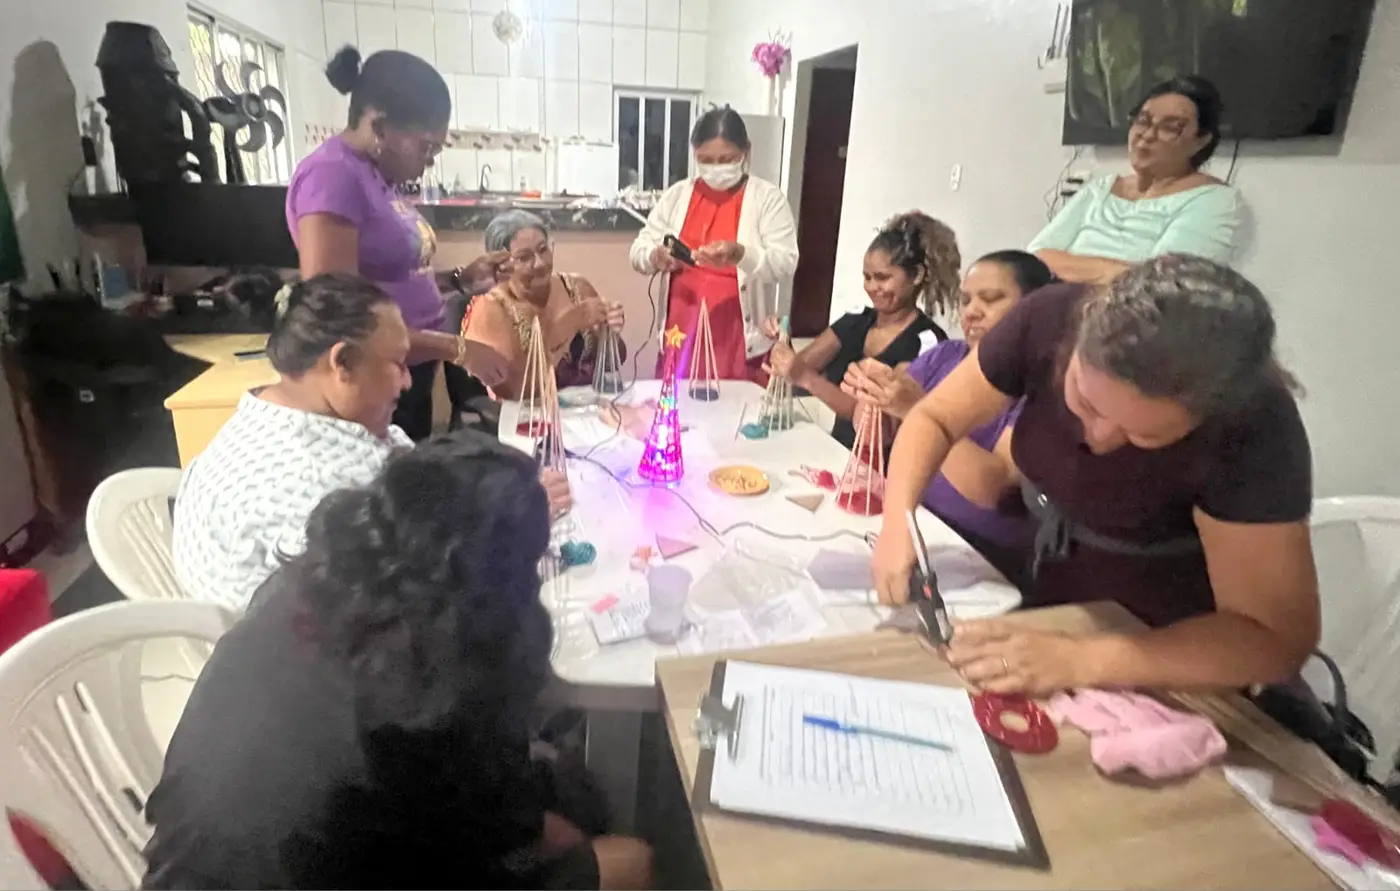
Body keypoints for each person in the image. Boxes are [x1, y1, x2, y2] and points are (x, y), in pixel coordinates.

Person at [145, 432, 653, 890]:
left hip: (179, 872)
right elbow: (513, 832)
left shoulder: (297, 581)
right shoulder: (445, 679)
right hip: (332, 860)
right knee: (629, 859)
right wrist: (583, 839)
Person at [870, 254, 1319, 695]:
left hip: (1171, 652)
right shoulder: (1049, 319)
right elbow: (934, 418)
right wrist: (897, 523)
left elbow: (1272, 639)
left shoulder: (1254, 427)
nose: (1099, 437)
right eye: (1084, 402)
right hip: (1053, 606)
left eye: (1142, 434)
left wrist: (1082, 661)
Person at [172, 274, 570, 612]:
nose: (407, 381)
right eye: (398, 364)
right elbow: (420, 604)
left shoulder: (271, 415)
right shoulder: (320, 488)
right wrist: (517, 527)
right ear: (342, 362)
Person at [286, 45, 510, 440]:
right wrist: (456, 348)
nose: (430, 160)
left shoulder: (378, 177)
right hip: (370, 382)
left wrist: (459, 279)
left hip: (406, 371)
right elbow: (337, 319)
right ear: (379, 126)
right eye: (426, 146)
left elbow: (388, 280)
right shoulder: (332, 177)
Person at [842, 250, 1053, 585]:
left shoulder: (1042, 388)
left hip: (984, 557)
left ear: (1035, 309)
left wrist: (916, 409)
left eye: (990, 299)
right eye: (965, 300)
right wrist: (873, 394)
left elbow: (993, 488)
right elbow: (879, 434)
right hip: (920, 524)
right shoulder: (947, 356)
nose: (971, 311)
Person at [629, 106, 798, 381]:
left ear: (746, 152)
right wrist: (654, 257)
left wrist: (741, 254)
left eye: (726, 159)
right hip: (681, 332)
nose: (716, 168)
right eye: (706, 160)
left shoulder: (768, 199)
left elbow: (785, 264)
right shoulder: (677, 196)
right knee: (676, 404)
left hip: (737, 340)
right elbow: (638, 250)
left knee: (737, 404)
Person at [766, 211, 957, 449]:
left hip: (881, 464)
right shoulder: (856, 320)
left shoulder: (926, 343)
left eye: (882, 278)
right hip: (839, 453)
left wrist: (806, 378)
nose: (872, 287)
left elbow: (873, 419)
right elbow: (799, 368)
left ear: (916, 275)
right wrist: (783, 342)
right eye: (867, 277)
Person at [1029, 76, 1243, 284]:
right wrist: (1120, 273)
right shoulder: (1102, 188)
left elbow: (1165, 283)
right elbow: (1035, 259)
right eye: (1142, 121)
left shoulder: (1213, 199)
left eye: (1170, 127)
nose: (1147, 135)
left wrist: (1067, 266)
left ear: (1201, 141)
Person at [461, 210, 626, 401]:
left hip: (586, 409)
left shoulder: (577, 288)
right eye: (524, 257)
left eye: (543, 250)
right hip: (526, 415)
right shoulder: (491, 309)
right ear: (499, 266)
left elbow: (613, 363)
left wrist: (609, 334)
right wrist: (565, 327)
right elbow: (515, 391)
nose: (539, 263)